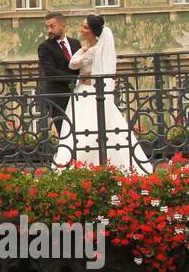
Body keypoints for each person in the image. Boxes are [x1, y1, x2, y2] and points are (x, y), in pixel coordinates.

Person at [51, 14, 152, 173]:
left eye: (85, 28)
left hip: (90, 93)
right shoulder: (89, 48)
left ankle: (89, 165)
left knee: (89, 129)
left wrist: (82, 53)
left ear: (93, 32)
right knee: (80, 128)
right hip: (82, 92)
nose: (82, 30)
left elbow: (72, 64)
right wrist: (83, 51)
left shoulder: (95, 50)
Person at [37, 12, 80, 132]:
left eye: (52, 26)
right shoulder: (44, 47)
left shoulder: (75, 43)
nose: (49, 30)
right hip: (58, 99)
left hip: (77, 96)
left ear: (63, 25)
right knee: (65, 134)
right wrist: (76, 80)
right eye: (47, 27)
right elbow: (51, 72)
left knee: (80, 133)